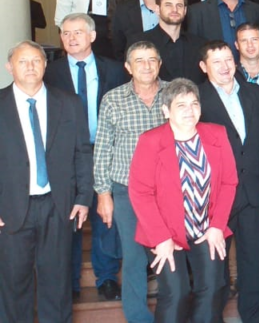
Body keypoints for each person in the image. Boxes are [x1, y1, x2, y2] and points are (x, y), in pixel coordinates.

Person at [128, 78, 239, 323]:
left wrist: (217, 227)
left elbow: (229, 183)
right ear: (166, 111)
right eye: (181, 105)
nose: (190, 110)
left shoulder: (217, 134)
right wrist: (161, 238)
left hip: (206, 229)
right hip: (164, 232)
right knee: (176, 293)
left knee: (213, 289)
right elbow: (140, 192)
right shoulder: (150, 141)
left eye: (194, 104)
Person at [0, 41, 92, 323]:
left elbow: (82, 152)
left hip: (58, 205)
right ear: (9, 67)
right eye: (22, 61)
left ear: (45, 65)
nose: (30, 67)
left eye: (36, 61)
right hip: (10, 208)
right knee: (14, 284)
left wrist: (83, 197)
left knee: (57, 282)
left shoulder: (68, 102)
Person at [44, 13, 126, 302]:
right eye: (65, 33)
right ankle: (70, 281)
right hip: (66, 157)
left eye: (78, 32)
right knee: (70, 217)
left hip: (105, 151)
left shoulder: (114, 70)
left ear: (92, 36)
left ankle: (106, 278)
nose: (71, 38)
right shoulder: (51, 73)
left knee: (106, 217)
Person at [196, 41, 259, 322]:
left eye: (228, 59)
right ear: (204, 67)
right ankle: (210, 316)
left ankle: (255, 314)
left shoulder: (256, 93)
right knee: (214, 265)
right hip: (215, 197)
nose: (225, 66)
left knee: (256, 260)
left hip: (253, 192)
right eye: (216, 62)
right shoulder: (197, 99)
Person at [94, 41, 169, 323]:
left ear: (160, 64)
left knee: (171, 253)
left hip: (169, 189)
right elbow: (103, 148)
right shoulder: (113, 99)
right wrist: (103, 193)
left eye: (152, 59)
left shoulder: (174, 92)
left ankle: (171, 314)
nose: (146, 66)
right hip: (127, 191)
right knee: (134, 256)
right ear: (127, 67)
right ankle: (139, 318)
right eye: (139, 61)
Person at [130, 0, 205, 83]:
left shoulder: (200, 45)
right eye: (168, 5)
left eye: (179, 6)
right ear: (157, 9)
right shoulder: (138, 42)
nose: (174, 10)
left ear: (185, 10)